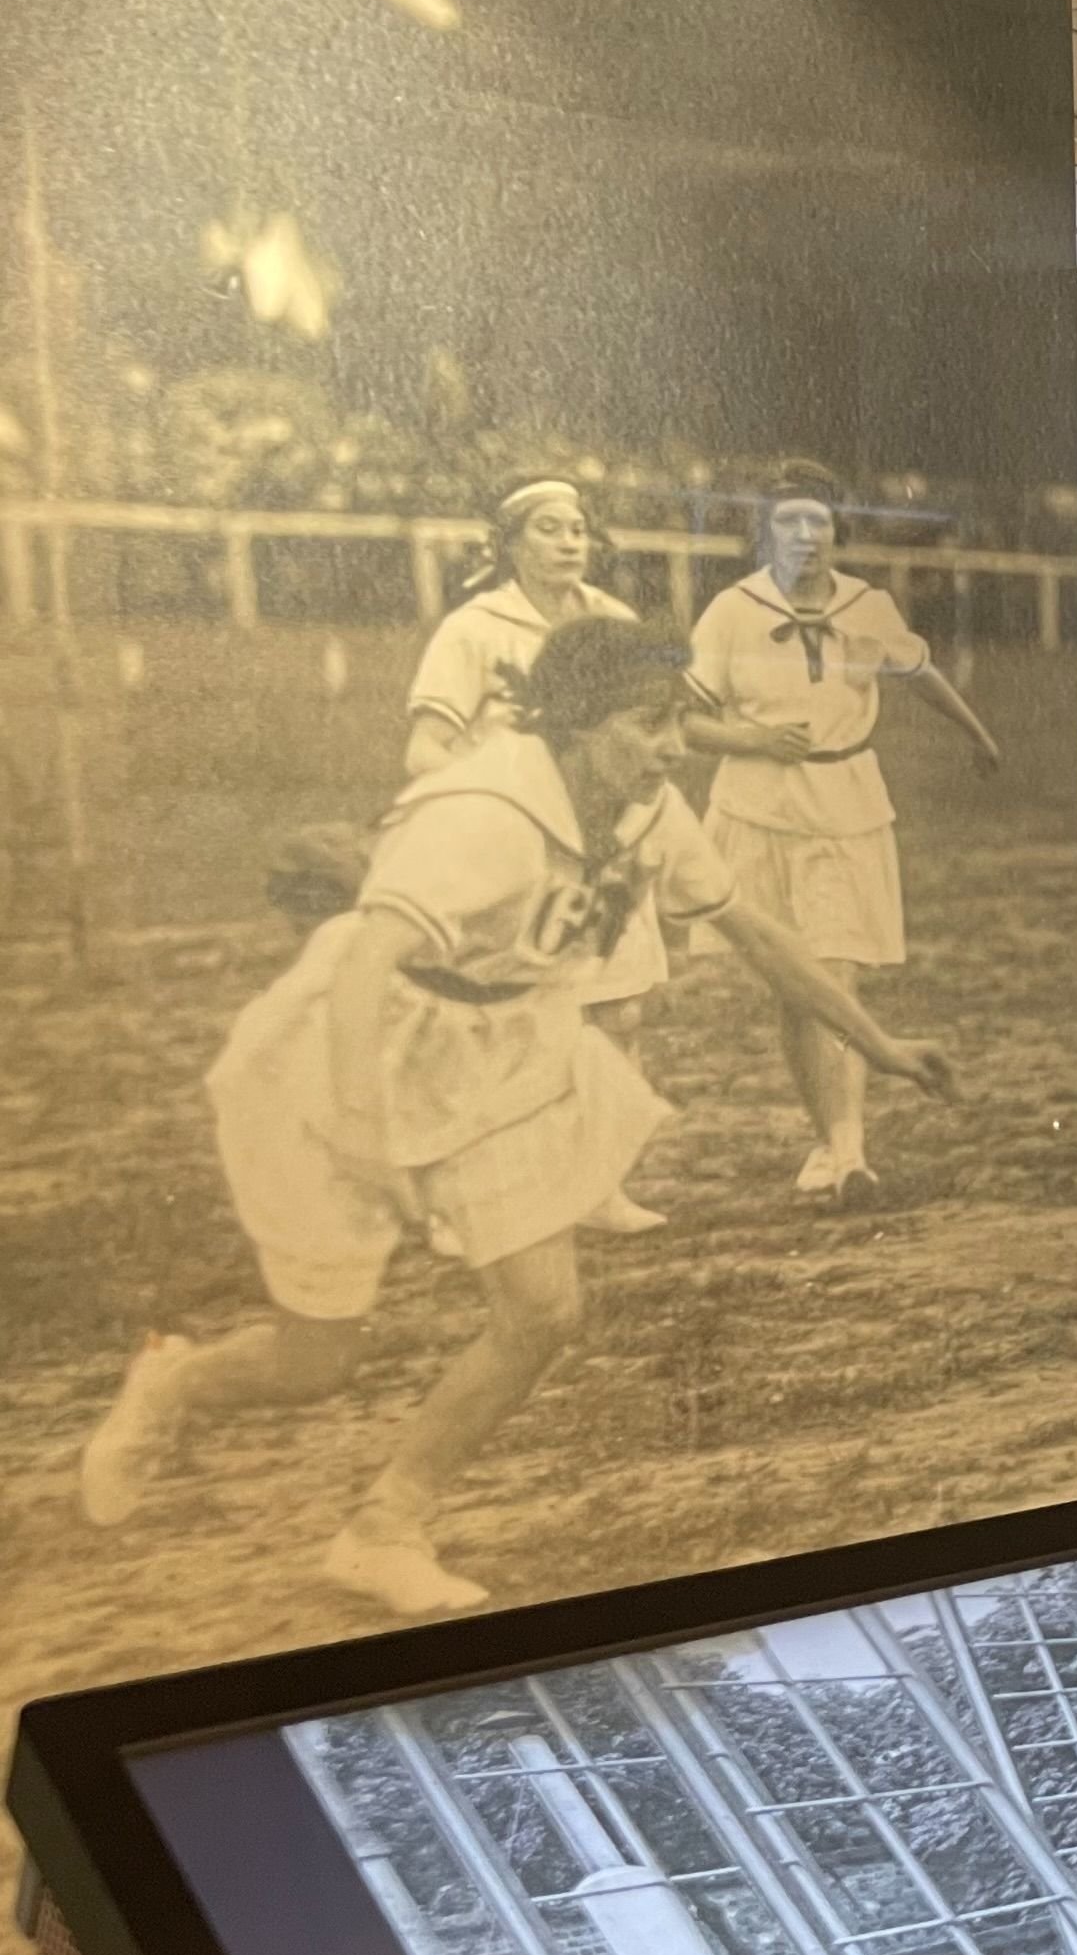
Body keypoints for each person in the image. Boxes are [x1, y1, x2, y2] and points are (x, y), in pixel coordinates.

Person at [79, 619, 958, 1617]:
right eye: (650, 723)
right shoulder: (482, 808)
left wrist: (876, 1043)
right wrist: (365, 1131)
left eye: (681, 722)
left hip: (500, 1049)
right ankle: (171, 1387)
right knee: (315, 1360)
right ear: (579, 723)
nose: (674, 747)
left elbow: (755, 931)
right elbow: (366, 965)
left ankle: (383, 1528)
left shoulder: (644, 806)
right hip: (343, 1051)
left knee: (543, 1309)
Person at [685, 460, 1000, 1207]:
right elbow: (685, 722)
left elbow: (918, 670)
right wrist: (755, 741)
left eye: (819, 521)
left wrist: (979, 737)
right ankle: (830, 1141)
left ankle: (851, 1153)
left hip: (846, 806)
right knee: (796, 994)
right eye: (789, 521)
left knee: (835, 971)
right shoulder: (731, 611)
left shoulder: (868, 606)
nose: (805, 536)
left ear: (838, 532)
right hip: (756, 811)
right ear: (763, 533)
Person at [403, 474, 670, 1230]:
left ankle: (599, 1189)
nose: (569, 543)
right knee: (498, 1028)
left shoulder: (616, 623)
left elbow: (652, 724)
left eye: (579, 528)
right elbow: (426, 748)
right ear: (511, 545)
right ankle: (458, 1208)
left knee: (617, 1014)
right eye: (550, 529)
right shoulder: (474, 629)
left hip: (602, 846)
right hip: (517, 852)